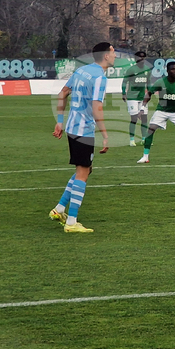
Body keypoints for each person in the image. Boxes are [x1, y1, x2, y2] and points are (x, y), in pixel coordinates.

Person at [50, 42, 116, 233]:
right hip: (83, 130)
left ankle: (59, 209)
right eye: (112, 52)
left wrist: (60, 121)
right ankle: (71, 222)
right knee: (83, 172)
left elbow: (63, 93)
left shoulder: (82, 71)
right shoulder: (99, 78)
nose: (114, 56)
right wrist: (105, 135)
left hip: (72, 126)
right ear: (105, 56)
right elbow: (97, 108)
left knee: (86, 169)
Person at [122, 51, 151, 146]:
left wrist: (149, 93)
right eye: (139, 57)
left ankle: (143, 139)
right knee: (134, 118)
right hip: (132, 97)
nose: (141, 59)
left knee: (144, 118)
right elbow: (124, 81)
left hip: (142, 97)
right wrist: (123, 93)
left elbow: (149, 83)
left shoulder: (147, 70)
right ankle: (132, 140)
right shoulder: (131, 70)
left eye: (143, 57)